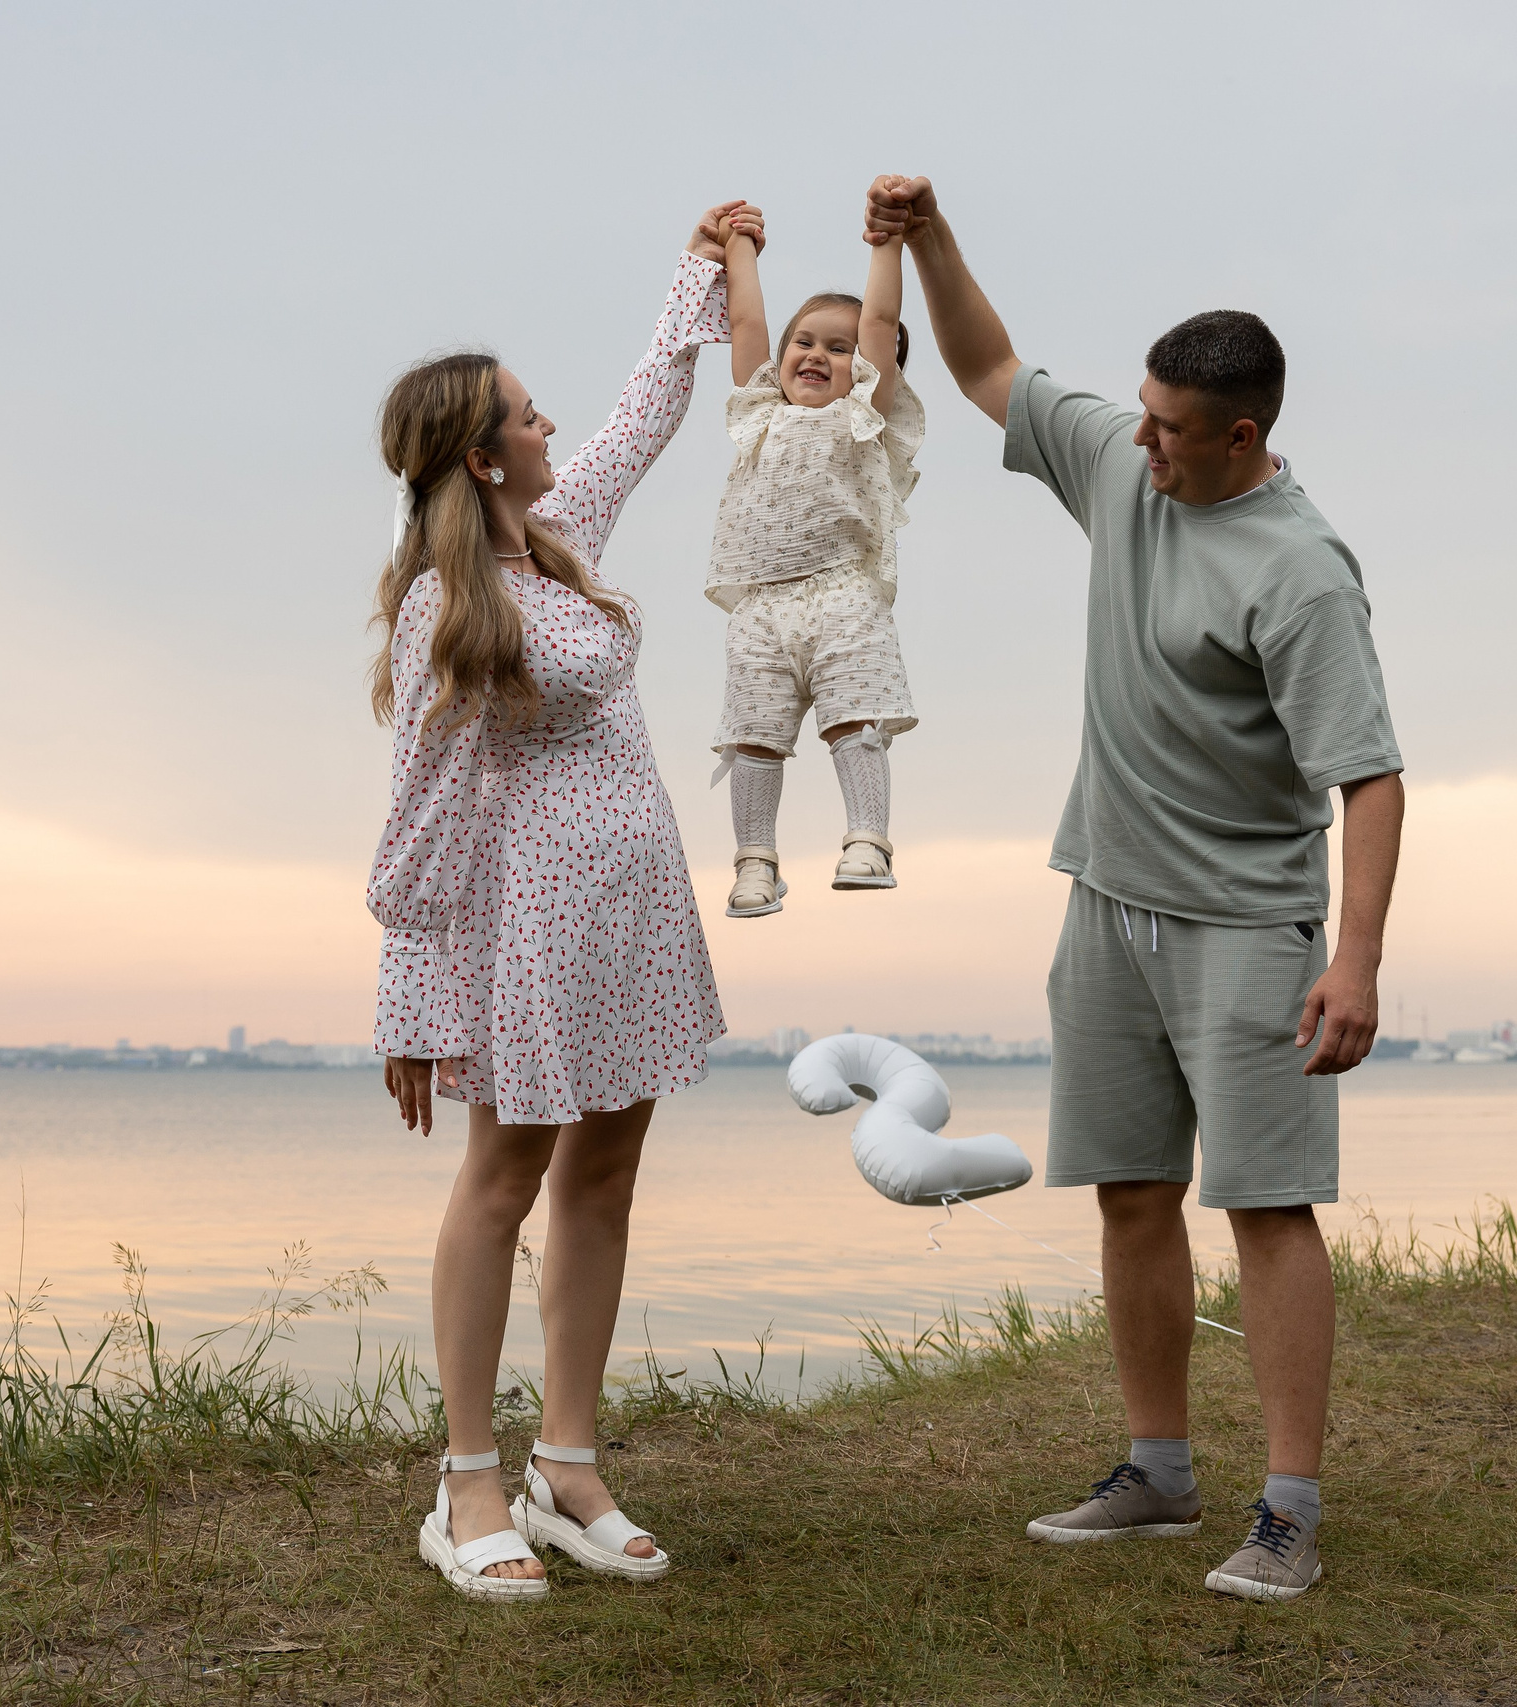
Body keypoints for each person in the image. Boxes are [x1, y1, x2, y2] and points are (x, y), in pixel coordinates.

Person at [865, 174, 1406, 1602]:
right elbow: (986, 367)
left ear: (1243, 438)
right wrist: (930, 241)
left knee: (1267, 1206)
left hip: (1248, 929)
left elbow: (1369, 777)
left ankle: (1287, 1511)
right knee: (1129, 1192)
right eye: (1141, 415)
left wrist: (1353, 960)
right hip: (1105, 904)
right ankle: (1158, 1472)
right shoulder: (1125, 461)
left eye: (1169, 429)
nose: (1139, 443)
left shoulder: (1302, 573)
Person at [365, 200, 759, 1602]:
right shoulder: (449, 603)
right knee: (503, 1182)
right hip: (528, 930)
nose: (552, 429)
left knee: (606, 1174)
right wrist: (411, 998)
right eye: (529, 417)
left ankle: (569, 1463)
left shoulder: (557, 534)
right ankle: (469, 1477)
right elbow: (419, 816)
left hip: (632, 915)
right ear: (482, 455)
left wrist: (699, 272)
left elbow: (646, 413)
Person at [704, 201, 926, 914]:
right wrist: (740, 248)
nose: (815, 355)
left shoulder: (863, 418)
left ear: (865, 368)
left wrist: (887, 242)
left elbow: (881, 323)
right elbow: (746, 324)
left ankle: (868, 839)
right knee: (752, 736)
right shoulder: (759, 415)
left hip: (843, 596)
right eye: (803, 342)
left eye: (838, 348)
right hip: (761, 605)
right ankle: (755, 860)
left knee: (854, 720)